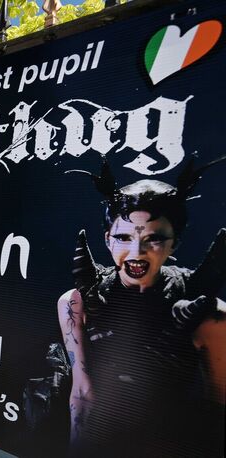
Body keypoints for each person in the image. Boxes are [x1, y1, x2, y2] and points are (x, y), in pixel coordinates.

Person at [57, 171, 226, 456]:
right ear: (108, 239)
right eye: (123, 237)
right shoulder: (75, 303)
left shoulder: (212, 316)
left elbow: (219, 406)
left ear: (175, 242)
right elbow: (82, 392)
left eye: (154, 238)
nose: (136, 251)